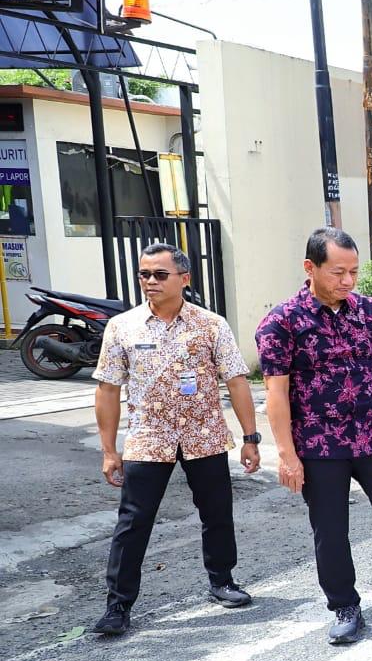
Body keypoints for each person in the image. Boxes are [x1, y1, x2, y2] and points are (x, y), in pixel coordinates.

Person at [256, 228, 372, 645]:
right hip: (320, 444)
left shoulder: (370, 311)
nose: (348, 281)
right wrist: (286, 454)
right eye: (338, 272)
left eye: (354, 272)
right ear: (310, 268)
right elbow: (276, 392)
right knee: (331, 528)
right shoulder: (282, 323)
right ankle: (344, 604)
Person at [89, 243, 259, 635]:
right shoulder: (123, 327)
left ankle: (222, 580)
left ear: (184, 278)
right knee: (133, 521)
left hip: (205, 435)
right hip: (149, 438)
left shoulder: (211, 325)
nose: (150, 281)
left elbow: (236, 380)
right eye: (144, 274)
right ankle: (118, 606)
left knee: (216, 513)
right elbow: (108, 389)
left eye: (159, 274)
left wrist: (250, 437)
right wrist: (109, 450)